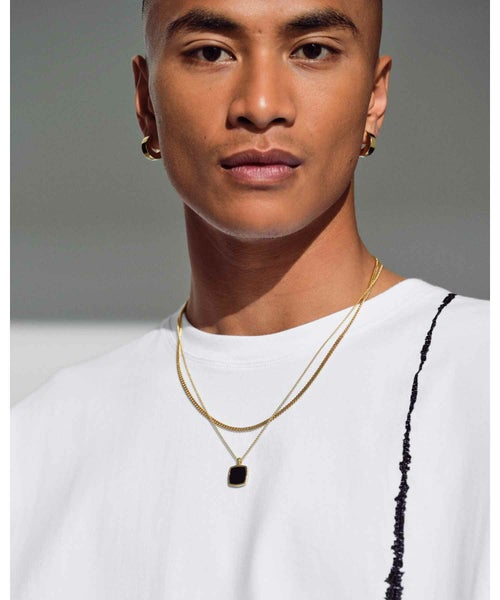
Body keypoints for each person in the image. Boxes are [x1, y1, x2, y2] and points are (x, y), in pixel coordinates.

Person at [11, 0, 488, 598]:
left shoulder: (479, 379)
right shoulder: (34, 449)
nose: (261, 105)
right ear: (146, 101)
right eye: (211, 52)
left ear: (374, 96)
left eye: (312, 50)